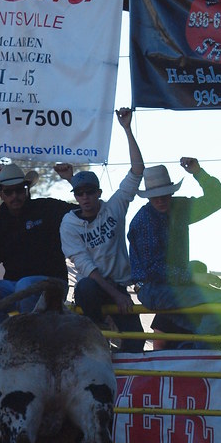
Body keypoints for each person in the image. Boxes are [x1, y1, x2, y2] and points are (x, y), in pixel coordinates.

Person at [60, 108, 146, 353]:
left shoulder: (114, 207)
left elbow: (137, 170)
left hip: (119, 285)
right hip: (96, 289)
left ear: (99, 193)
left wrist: (127, 129)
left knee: (136, 343)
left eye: (90, 192)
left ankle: (111, 343)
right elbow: (86, 267)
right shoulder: (69, 223)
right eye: (80, 193)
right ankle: (96, 331)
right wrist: (117, 296)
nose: (85, 197)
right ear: (75, 197)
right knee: (85, 287)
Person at [128, 159, 221, 346]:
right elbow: (154, 268)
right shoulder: (144, 220)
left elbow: (217, 200)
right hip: (153, 288)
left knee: (203, 319)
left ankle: (191, 352)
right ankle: (198, 355)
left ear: (171, 193)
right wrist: (194, 278)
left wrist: (199, 173)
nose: (160, 200)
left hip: (169, 287)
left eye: (164, 195)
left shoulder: (179, 209)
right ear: (149, 198)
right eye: (155, 197)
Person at [0, 162, 76, 336]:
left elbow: (84, 208)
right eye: (9, 191)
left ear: (27, 189)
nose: (14, 195)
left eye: (19, 190)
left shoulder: (47, 208)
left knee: (24, 285)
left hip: (53, 285)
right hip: (16, 289)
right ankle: (9, 338)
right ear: (1, 194)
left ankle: (26, 339)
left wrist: (72, 179)